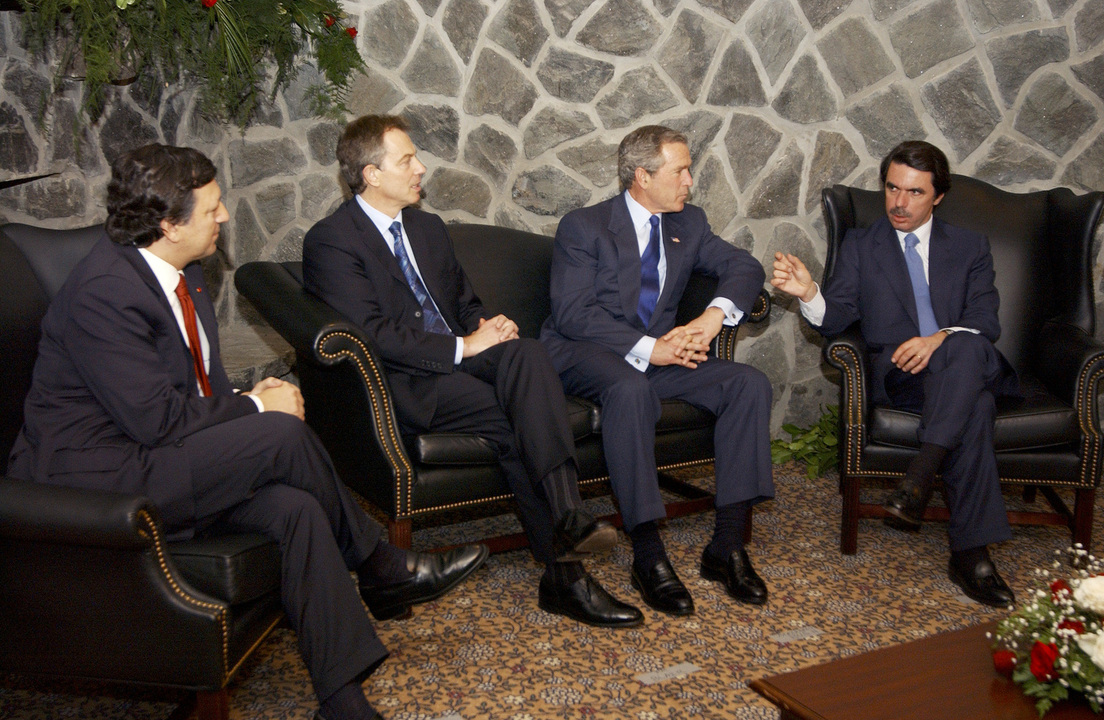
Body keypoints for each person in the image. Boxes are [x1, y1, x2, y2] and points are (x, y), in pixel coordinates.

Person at [7, 144, 490, 720]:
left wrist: (244, 405)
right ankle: (380, 564)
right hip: (96, 480)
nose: (225, 217)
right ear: (168, 223)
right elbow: (155, 419)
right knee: (280, 435)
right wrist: (255, 406)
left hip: (155, 455)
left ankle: (343, 700)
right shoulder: (104, 294)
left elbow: (196, 396)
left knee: (295, 510)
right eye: (212, 209)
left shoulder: (181, 273)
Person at [302, 115, 642, 629]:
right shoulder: (332, 240)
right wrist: (465, 345)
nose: (421, 168)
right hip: (409, 380)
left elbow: (463, 302)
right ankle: (566, 577)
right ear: (370, 174)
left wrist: (487, 326)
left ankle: (570, 513)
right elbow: (375, 334)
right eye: (407, 160)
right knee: (512, 424)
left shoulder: (427, 227)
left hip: (463, 355)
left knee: (526, 352)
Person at [771, 140, 1018, 608]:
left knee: (965, 349)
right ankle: (970, 553)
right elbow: (838, 315)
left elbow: (986, 322)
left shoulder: (969, 247)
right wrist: (808, 294)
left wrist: (937, 339)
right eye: (891, 188)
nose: (899, 203)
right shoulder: (864, 246)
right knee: (977, 404)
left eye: (914, 192)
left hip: (960, 364)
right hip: (904, 378)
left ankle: (923, 478)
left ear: (938, 196)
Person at [540, 125, 775, 617]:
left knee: (746, 384)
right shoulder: (584, 227)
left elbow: (745, 266)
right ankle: (648, 556)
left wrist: (711, 319)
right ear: (642, 176)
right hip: (584, 352)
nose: (690, 180)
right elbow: (574, 315)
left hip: (660, 355)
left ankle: (726, 547)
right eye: (681, 170)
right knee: (629, 388)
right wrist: (651, 348)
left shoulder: (688, 223)